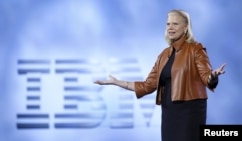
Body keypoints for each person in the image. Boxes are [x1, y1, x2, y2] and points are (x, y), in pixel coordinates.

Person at [94, 9, 226, 141]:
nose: (170, 27)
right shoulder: (164, 55)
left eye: (175, 24)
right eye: (168, 24)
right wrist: (117, 82)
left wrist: (212, 76)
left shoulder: (195, 49)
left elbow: (206, 76)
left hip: (190, 111)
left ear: (185, 27)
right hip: (169, 111)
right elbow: (147, 85)